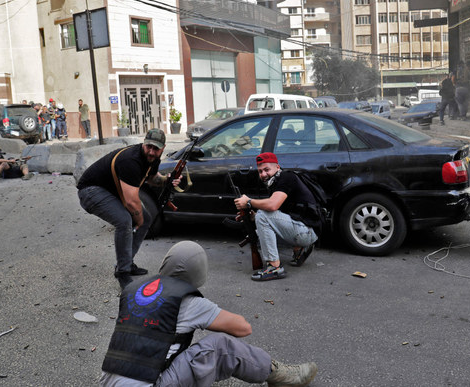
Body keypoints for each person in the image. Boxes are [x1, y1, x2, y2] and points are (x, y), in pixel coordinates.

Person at [99, 241, 318, 386]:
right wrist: (204, 315)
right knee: (220, 346)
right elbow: (242, 328)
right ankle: (279, 375)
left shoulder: (132, 290)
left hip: (108, 381)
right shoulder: (186, 301)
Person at [77, 129, 181, 288]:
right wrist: (138, 220)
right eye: (149, 147)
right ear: (144, 143)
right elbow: (131, 201)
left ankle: (126, 262)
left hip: (109, 191)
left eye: (156, 148)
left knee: (145, 219)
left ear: (163, 148)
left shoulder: (153, 159)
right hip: (90, 191)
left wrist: (167, 180)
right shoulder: (131, 160)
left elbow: (153, 178)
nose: (152, 152)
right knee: (125, 220)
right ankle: (123, 272)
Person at [234, 152, 320, 281]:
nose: (263, 174)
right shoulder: (275, 182)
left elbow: (272, 206)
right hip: (303, 228)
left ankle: (274, 267)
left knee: (263, 215)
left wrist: (248, 202)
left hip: (307, 231)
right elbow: (278, 214)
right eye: (260, 171)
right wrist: (252, 216)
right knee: (258, 234)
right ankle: (299, 249)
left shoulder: (286, 177)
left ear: (277, 167)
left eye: (267, 169)